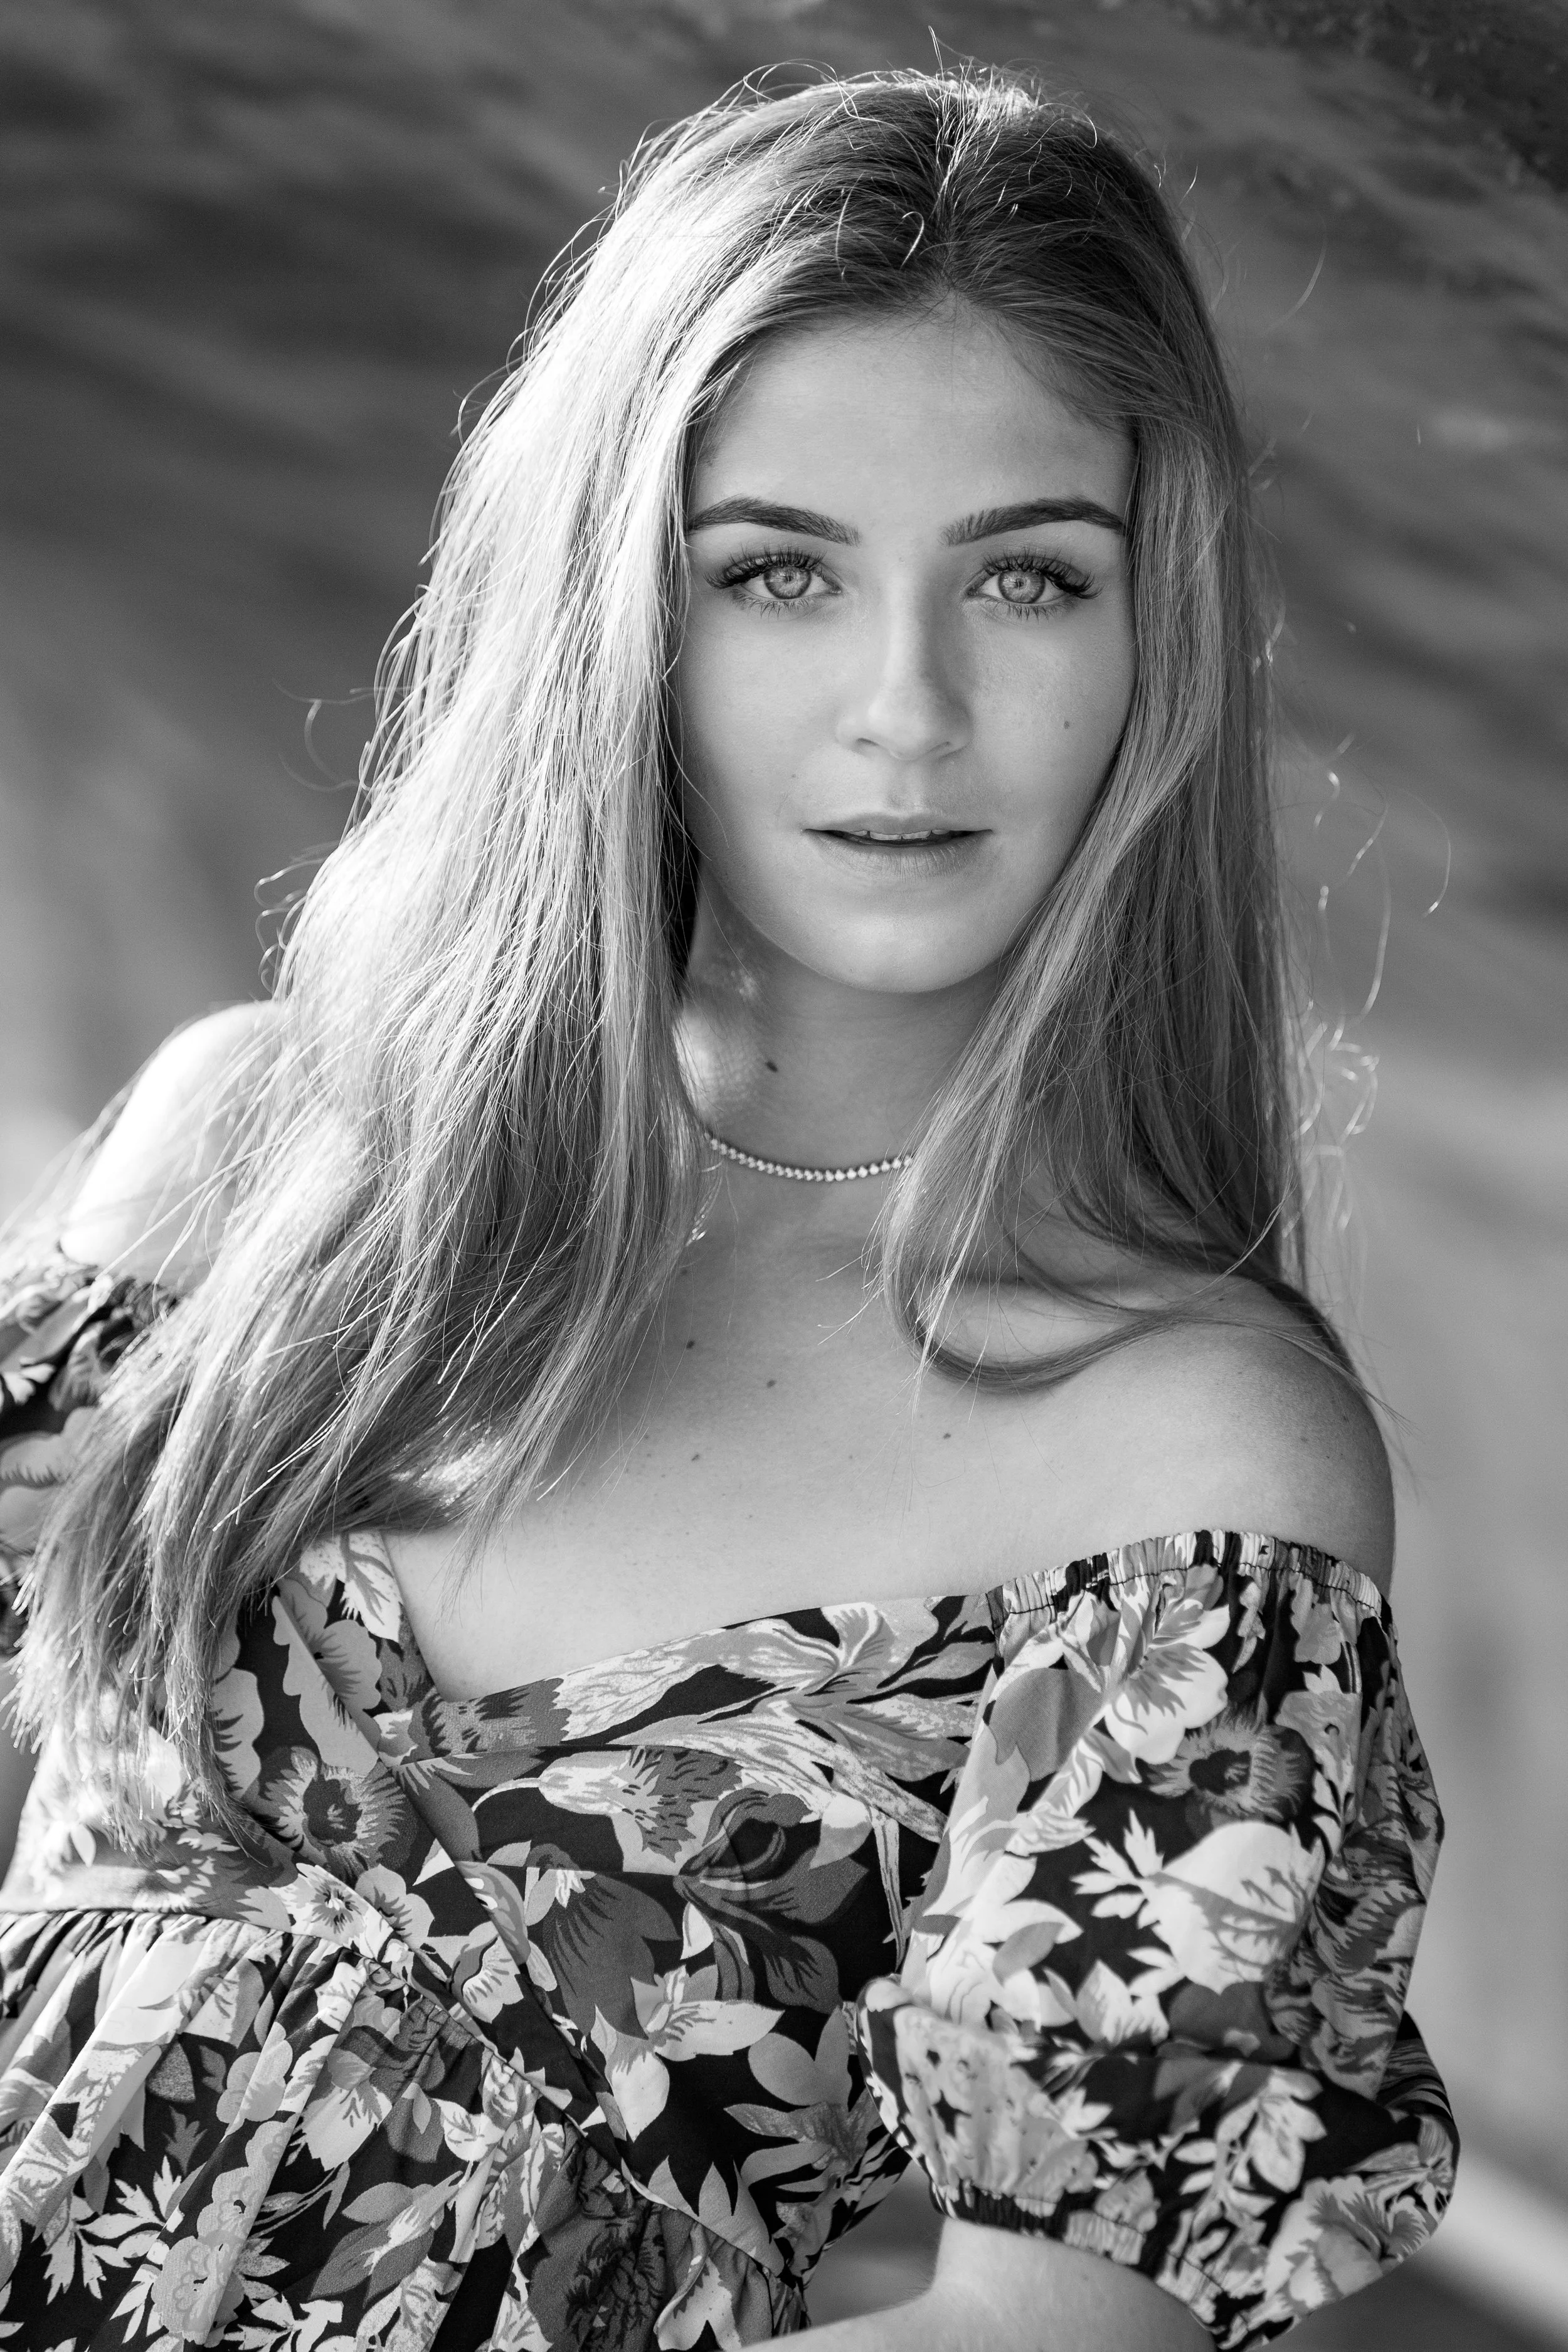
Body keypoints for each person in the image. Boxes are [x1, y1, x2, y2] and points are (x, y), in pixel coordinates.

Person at [0, 65, 1454, 2352]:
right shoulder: (248, 1155)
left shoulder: (1180, 1462)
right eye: (777, 571)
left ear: (1149, 635)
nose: (909, 710)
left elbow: (1050, 2337)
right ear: (616, 616)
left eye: (1027, 577)